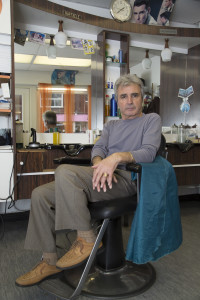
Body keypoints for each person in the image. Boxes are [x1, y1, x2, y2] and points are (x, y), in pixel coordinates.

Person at [15, 74, 161, 287]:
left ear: (142, 99)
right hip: (103, 177)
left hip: (127, 179)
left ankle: (86, 238)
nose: (129, 101)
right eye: (123, 96)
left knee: (65, 171)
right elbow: (99, 148)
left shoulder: (151, 120)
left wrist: (117, 158)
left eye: (134, 95)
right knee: (40, 194)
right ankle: (49, 260)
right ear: (117, 100)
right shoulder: (111, 126)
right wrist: (101, 162)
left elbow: (148, 152)